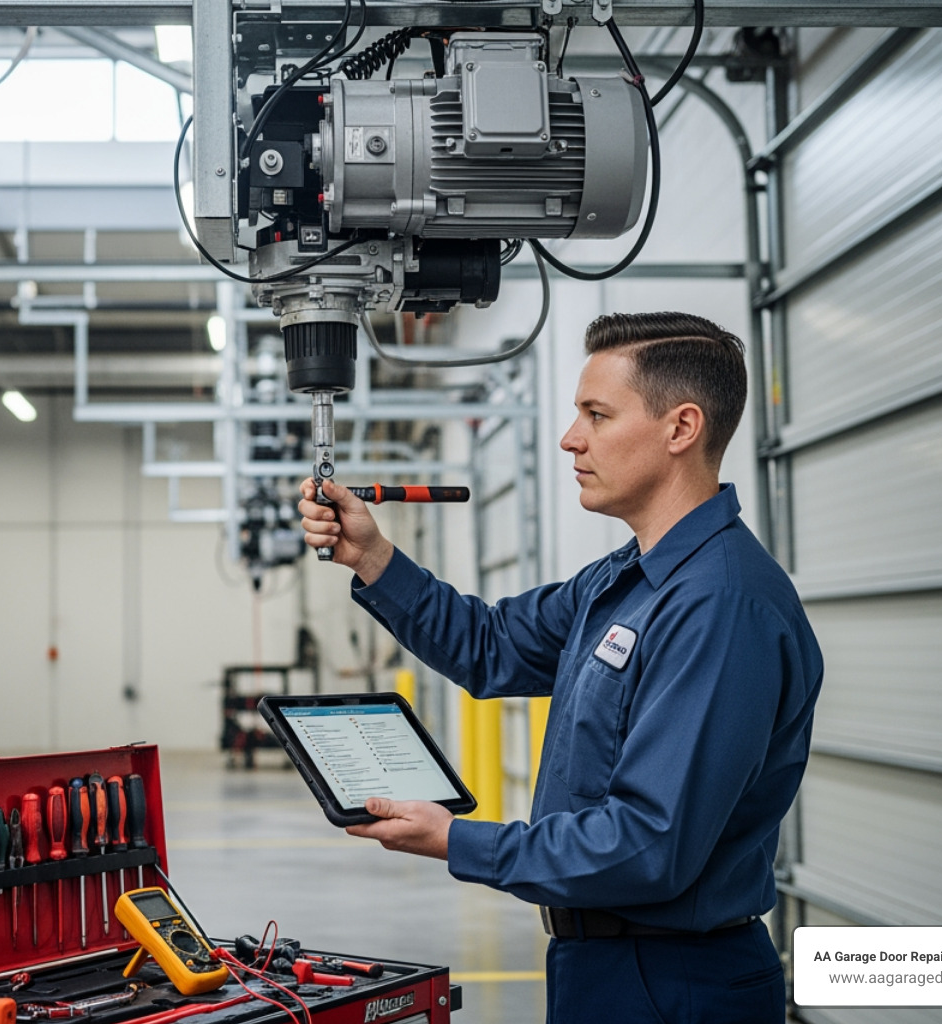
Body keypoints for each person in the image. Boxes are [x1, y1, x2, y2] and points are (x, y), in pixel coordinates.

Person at [298, 311, 823, 1023]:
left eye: (597, 415)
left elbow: (646, 844)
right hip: (601, 966)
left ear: (681, 428)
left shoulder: (720, 606)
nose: (570, 437)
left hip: (673, 984)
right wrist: (373, 557)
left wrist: (457, 840)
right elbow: (491, 646)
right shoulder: (624, 579)